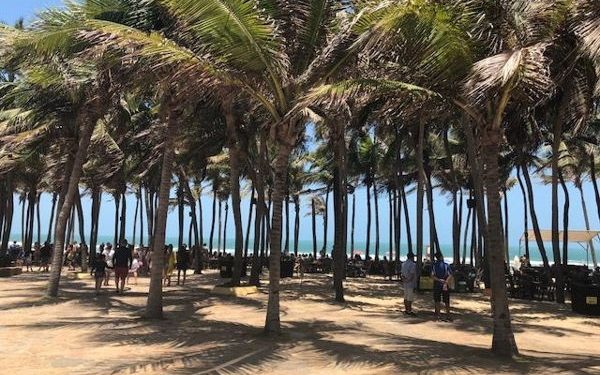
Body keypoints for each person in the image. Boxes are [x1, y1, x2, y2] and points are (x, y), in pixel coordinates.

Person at [431, 252, 453, 321]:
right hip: (445, 285)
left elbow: (432, 276)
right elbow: (450, 275)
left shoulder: (434, 266)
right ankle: (448, 315)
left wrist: (439, 280)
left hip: (437, 284)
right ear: (441, 257)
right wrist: (446, 282)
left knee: (437, 300)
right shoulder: (446, 265)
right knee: (446, 301)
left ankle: (438, 316)